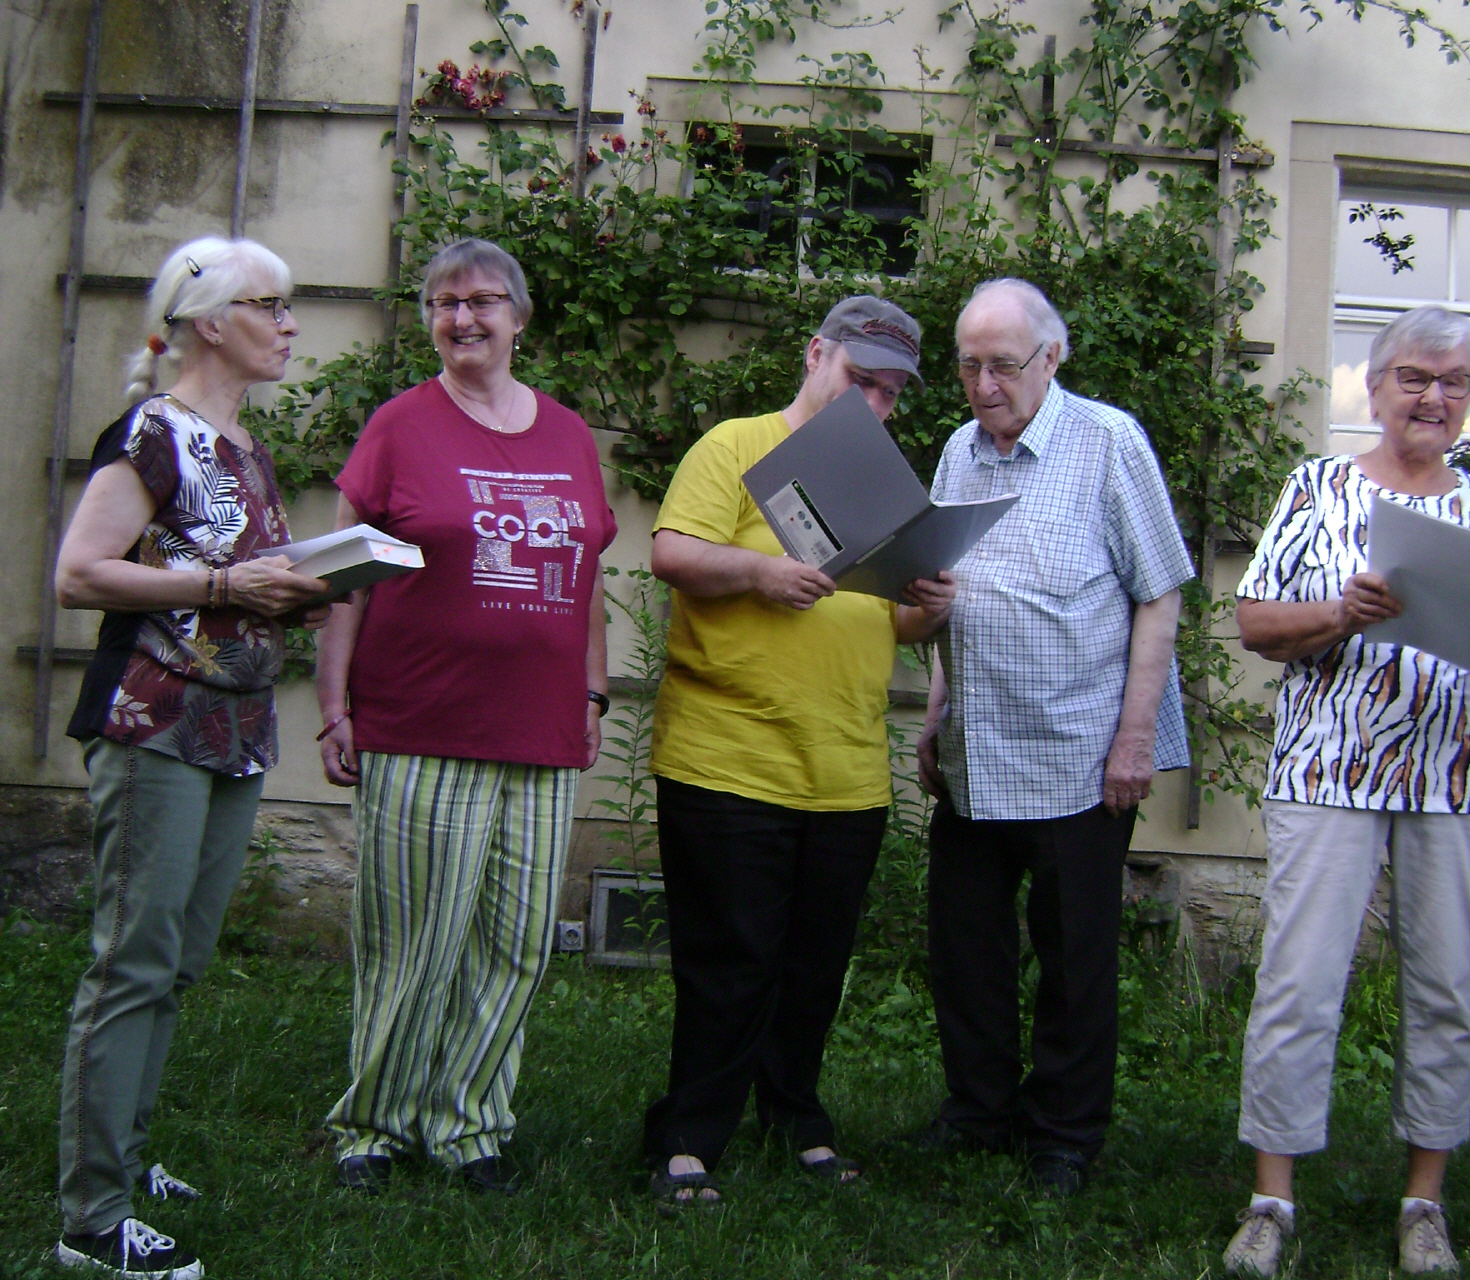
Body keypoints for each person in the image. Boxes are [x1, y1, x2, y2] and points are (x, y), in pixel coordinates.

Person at [1221, 305, 1470, 1278]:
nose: (1433, 397)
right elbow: (1254, 623)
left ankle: (1424, 1202)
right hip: (1329, 768)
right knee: (1299, 979)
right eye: (1414, 377)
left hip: (1461, 773)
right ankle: (1272, 1198)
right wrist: (1341, 610)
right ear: (1374, 388)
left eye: (1453, 382)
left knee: (1448, 987)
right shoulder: (1317, 487)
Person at [53, 236, 330, 1279]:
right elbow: (81, 573)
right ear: (211, 322)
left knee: (175, 961)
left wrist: (297, 592)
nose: (290, 324)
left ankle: (123, 1155)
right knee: (131, 961)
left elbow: (235, 574)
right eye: (273, 305)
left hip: (236, 729)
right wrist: (224, 588)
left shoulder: (245, 445)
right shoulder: (152, 433)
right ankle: (92, 1217)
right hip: (154, 723)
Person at [315, 238, 616, 1197]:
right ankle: (375, 1125)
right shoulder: (400, 427)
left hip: (540, 729)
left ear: (518, 318)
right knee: (415, 938)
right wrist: (333, 703)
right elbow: (343, 579)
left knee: (513, 944)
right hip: (422, 720)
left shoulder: (568, 435)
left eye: (482, 301)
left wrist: (594, 692)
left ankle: (470, 1124)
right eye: (445, 304)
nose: (462, 318)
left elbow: (585, 577)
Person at [640, 296, 955, 1206]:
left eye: (891, 393)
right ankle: (689, 1138)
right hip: (728, 757)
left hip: (845, 769)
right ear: (816, 355)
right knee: (728, 962)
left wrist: (930, 606)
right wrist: (759, 570)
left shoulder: (881, 485)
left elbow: (892, 621)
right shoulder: (735, 446)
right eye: (861, 380)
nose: (874, 405)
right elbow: (672, 553)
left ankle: (795, 1120)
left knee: (814, 967)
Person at [908, 277, 1193, 1198]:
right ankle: (978, 1110)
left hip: (1078, 749)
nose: (984, 386)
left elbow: (1159, 593)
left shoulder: (1109, 442)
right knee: (967, 948)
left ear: (1052, 357)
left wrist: (1135, 740)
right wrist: (936, 710)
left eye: (1003, 364)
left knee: (1074, 957)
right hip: (977, 745)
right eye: (969, 366)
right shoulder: (958, 450)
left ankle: (1065, 1134)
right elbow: (950, 591)